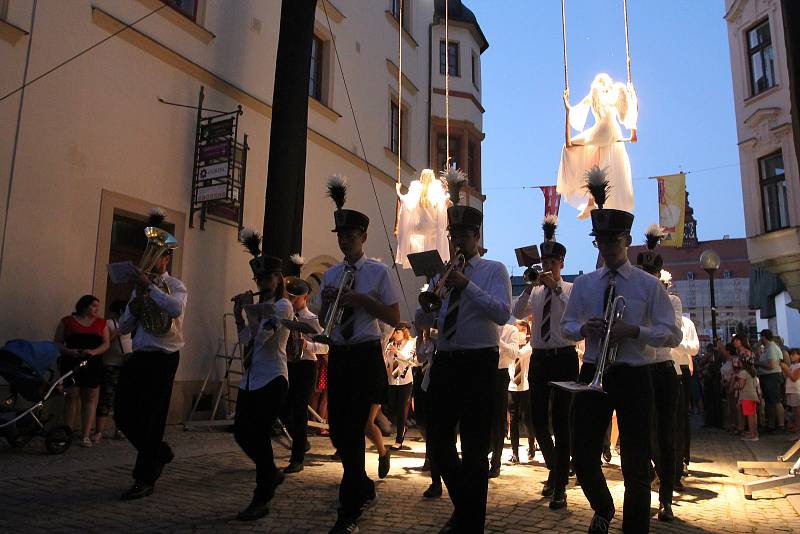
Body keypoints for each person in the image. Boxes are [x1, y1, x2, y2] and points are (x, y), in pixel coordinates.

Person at [561, 178, 681, 534]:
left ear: (626, 242)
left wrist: (636, 331)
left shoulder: (648, 285)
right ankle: (603, 506)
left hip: (633, 374)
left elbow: (671, 333)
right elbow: (566, 325)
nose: (608, 247)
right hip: (594, 371)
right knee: (582, 454)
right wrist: (584, 329)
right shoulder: (584, 284)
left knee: (636, 463)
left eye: (614, 240)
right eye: (602, 241)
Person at [415, 203, 511, 533]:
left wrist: (466, 285)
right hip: (445, 360)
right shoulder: (441, 273)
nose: (457, 241)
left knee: (473, 449)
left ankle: (471, 523)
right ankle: (466, 510)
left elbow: (501, 313)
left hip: (478, 362)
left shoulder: (493, 270)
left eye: (463, 235)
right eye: (452, 234)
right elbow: (429, 319)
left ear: (476, 236)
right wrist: (426, 305)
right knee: (438, 444)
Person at [320, 176, 400, 534]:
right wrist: (325, 305)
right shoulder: (332, 273)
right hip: (339, 353)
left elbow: (394, 318)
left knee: (352, 432)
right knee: (339, 433)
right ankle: (362, 485)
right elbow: (325, 321)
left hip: (365, 354)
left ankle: (348, 511)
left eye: (350, 237)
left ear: (363, 238)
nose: (344, 242)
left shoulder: (378, 272)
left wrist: (361, 300)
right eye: (340, 236)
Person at [116, 208, 186, 500]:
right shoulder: (139, 291)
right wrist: (134, 304)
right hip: (140, 355)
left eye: (155, 254)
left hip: (164, 357)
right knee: (122, 413)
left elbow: (175, 309)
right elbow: (123, 327)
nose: (150, 258)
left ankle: (144, 478)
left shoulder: (177, 286)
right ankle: (158, 452)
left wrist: (150, 289)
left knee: (152, 417)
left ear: (165, 258)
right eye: (148, 252)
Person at [511, 215, 577, 510]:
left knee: (561, 422)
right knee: (536, 421)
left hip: (563, 357)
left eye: (552, 262)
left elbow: (575, 315)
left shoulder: (571, 288)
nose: (548, 266)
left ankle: (560, 485)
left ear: (561, 263)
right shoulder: (535, 290)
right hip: (540, 358)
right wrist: (529, 286)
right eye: (544, 262)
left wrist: (557, 288)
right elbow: (516, 312)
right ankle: (556, 469)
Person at [231, 229, 293, 520]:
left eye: (267, 279)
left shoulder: (283, 305)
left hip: (273, 378)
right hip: (252, 377)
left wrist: (250, 309)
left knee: (258, 433)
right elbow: (246, 340)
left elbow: (266, 337)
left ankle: (262, 495)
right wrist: (238, 315)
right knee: (241, 432)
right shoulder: (260, 306)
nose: (263, 284)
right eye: (259, 280)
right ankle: (270, 473)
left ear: (278, 279)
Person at [281, 273, 328, 474]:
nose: (292, 300)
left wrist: (307, 344)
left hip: (306, 367)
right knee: (282, 407)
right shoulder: (285, 316)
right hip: (287, 365)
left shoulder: (312, 320)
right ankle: (302, 441)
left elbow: (326, 348)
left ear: (305, 298)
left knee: (299, 411)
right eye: (290, 296)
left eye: (296, 297)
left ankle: (297, 457)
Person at [54, 294, 111, 448]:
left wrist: (94, 352)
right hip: (72, 362)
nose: (96, 309)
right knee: (71, 397)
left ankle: (86, 434)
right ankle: (68, 432)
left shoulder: (101, 323)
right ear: (84, 306)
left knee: (90, 397)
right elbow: (57, 342)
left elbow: (106, 343)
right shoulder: (67, 321)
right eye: (93, 306)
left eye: (97, 306)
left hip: (92, 363)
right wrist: (70, 351)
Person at [95, 300, 132, 442]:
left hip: (126, 364)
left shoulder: (131, 324)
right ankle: (99, 431)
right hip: (111, 364)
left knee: (123, 398)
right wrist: (115, 333)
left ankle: (120, 429)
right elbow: (104, 343)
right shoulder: (109, 324)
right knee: (107, 397)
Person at [671, 313, 699, 491]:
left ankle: (682, 460)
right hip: (662, 365)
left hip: (680, 368)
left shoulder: (686, 323)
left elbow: (694, 348)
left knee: (681, 418)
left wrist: (676, 343)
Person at [488, 322, 518, 478]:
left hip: (501, 374)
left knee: (499, 420)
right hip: (485, 373)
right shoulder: (484, 326)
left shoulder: (511, 330)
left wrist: (498, 340)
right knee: (483, 419)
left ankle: (496, 463)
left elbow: (513, 353)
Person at [384, 322, 416, 450]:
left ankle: (399, 439)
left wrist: (396, 351)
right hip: (392, 380)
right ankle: (403, 428)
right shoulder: (390, 344)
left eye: (398, 332)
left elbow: (408, 359)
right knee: (391, 408)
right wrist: (387, 354)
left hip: (405, 381)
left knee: (401, 408)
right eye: (394, 332)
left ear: (404, 332)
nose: (395, 334)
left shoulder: (409, 344)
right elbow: (387, 362)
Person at [506, 320, 534, 465]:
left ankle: (531, 444)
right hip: (512, 386)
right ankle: (515, 452)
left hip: (525, 386)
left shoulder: (529, 347)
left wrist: (504, 344)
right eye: (517, 330)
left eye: (523, 330)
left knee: (527, 419)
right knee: (513, 419)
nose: (520, 333)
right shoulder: (512, 345)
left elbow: (519, 354)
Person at [757, 329, 786, 433]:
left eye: (761, 337)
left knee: (776, 400)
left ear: (764, 337)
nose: (760, 339)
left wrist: (758, 364)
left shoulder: (772, 348)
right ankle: (771, 424)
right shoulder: (767, 348)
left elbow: (772, 365)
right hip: (767, 377)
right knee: (769, 402)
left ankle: (781, 424)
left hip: (772, 376)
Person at [735, 355, 760, 441]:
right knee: (753, 415)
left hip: (746, 396)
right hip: (753, 395)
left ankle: (752, 435)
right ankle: (754, 432)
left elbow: (741, 385)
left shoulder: (743, 372)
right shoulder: (753, 372)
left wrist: (735, 385)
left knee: (750, 416)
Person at [780, 348, 800, 432]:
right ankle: (795, 425)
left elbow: (794, 378)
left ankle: (798, 426)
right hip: (791, 390)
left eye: (794, 354)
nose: (791, 356)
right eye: (791, 354)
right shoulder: (792, 365)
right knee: (794, 410)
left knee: (797, 410)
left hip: (796, 390)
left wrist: (786, 368)